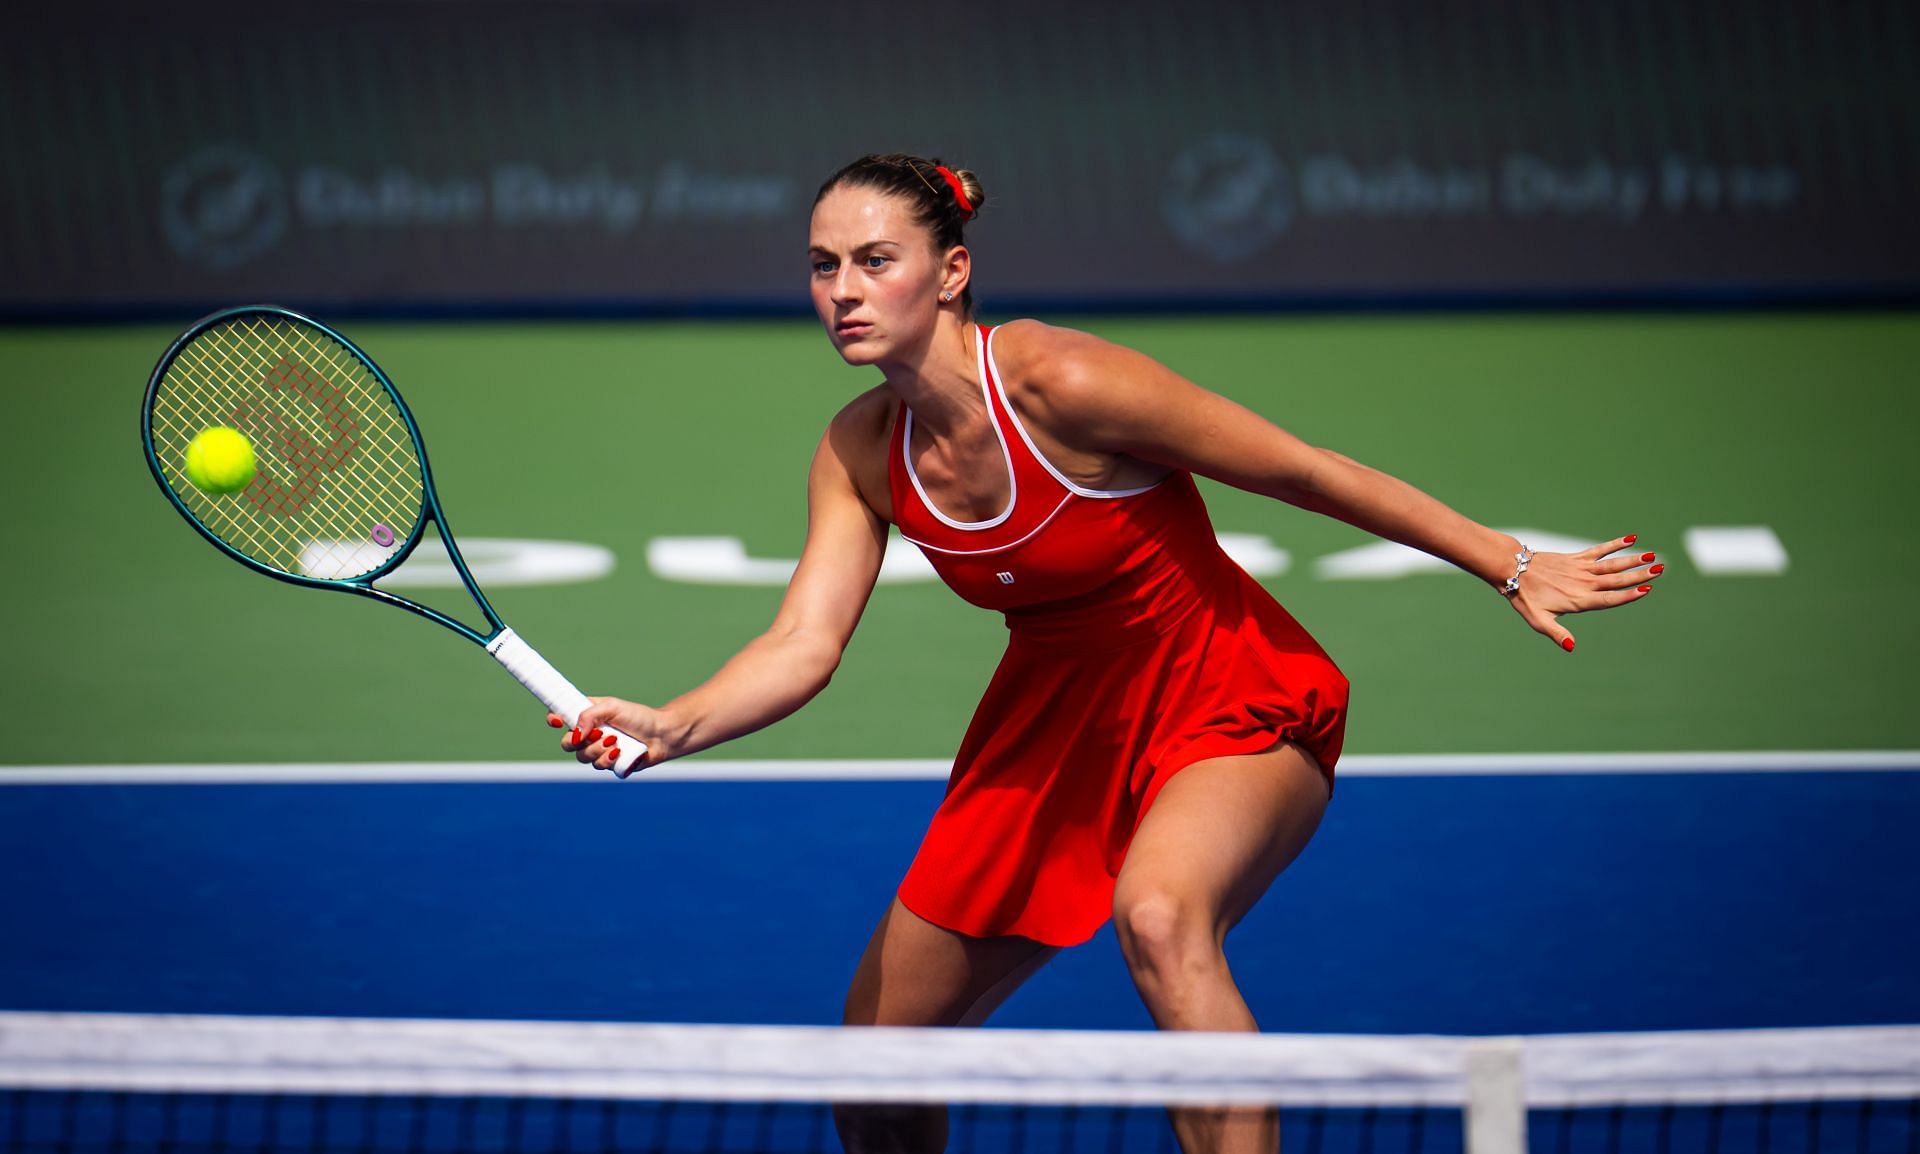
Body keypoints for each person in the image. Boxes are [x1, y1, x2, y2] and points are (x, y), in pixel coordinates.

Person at [551, 154, 1659, 1154]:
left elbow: (1305, 471)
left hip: (1224, 690)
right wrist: (674, 720)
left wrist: (1507, 560)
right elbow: (803, 641)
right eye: (821, 264)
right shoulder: (859, 450)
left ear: (949, 272)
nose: (840, 288)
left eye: (873, 260)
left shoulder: (1064, 383)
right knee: (875, 1062)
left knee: (1162, 915)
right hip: (1049, 733)